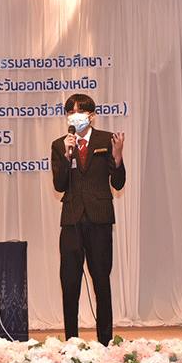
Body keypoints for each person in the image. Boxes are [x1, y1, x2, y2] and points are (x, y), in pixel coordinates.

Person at [51, 93, 125, 345]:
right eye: (70, 112)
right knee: (69, 282)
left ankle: (105, 341)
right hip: (71, 219)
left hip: (99, 218)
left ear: (92, 116)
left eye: (80, 112)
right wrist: (66, 155)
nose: (75, 116)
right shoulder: (59, 144)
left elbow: (118, 183)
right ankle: (71, 341)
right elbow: (59, 185)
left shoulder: (107, 140)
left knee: (101, 280)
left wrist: (118, 159)